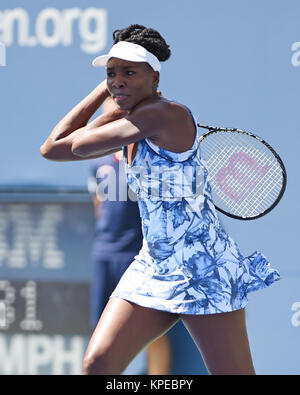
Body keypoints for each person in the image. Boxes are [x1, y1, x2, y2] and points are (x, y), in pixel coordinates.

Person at [40, 24, 280, 375]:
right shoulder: (126, 114)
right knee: (98, 364)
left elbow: (77, 145)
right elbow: (50, 149)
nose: (118, 79)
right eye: (111, 73)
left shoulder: (165, 114)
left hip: (206, 266)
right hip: (153, 266)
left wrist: (112, 97)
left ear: (155, 77)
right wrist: (105, 90)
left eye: (129, 72)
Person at [88, 98, 171, 374]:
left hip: (139, 257)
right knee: (101, 330)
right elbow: (99, 206)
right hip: (104, 254)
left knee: (151, 333)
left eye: (118, 115)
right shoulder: (98, 163)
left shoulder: (150, 158)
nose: (110, 120)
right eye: (107, 115)